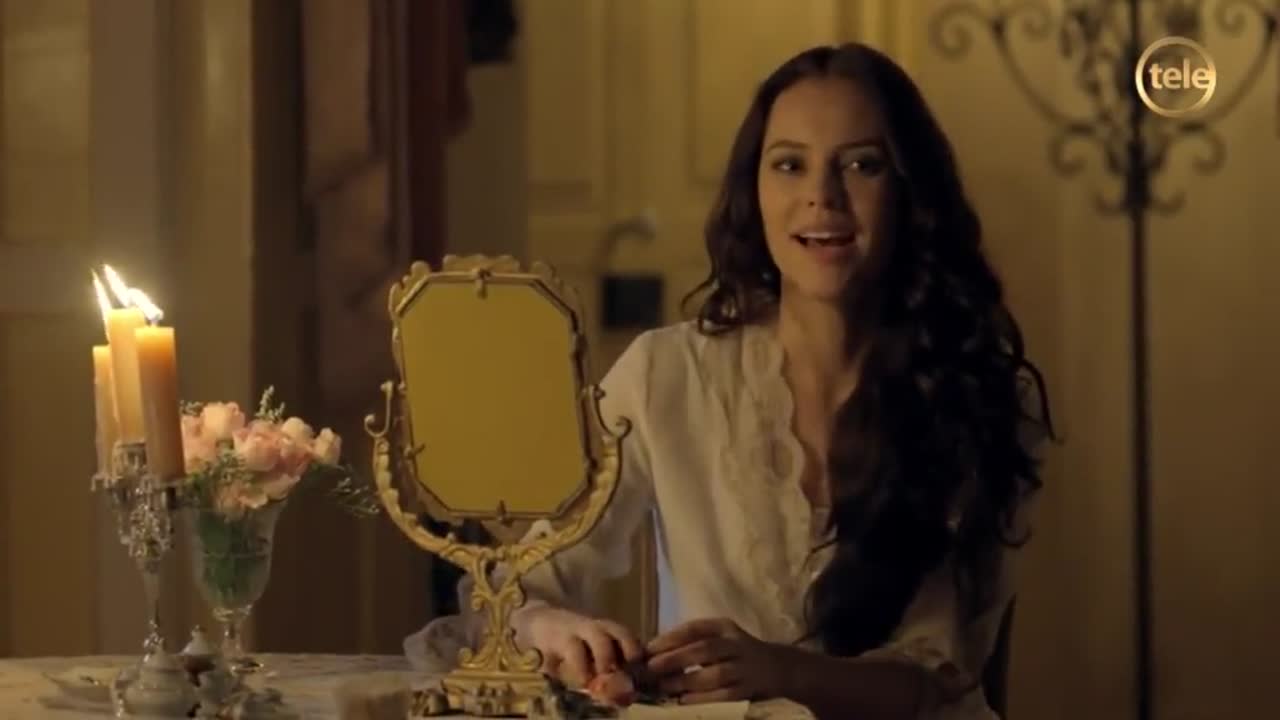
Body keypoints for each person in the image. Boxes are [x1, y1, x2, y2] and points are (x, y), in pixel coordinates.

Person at [405, 42, 1055, 719]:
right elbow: (517, 589)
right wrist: (556, 629)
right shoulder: (667, 376)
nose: (821, 196)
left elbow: (937, 676)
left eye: (861, 164)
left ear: (909, 191)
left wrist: (783, 671)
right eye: (790, 164)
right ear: (755, 190)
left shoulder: (978, 397)